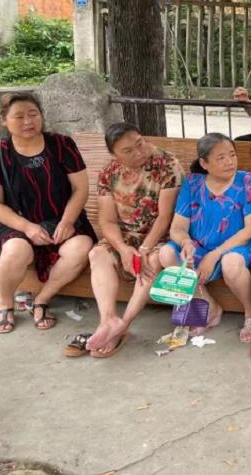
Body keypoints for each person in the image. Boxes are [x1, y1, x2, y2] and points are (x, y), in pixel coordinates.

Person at [0, 91, 96, 333]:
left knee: (81, 247)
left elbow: (80, 188)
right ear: (4, 120)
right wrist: (27, 227)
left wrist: (68, 221)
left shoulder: (62, 145)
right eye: (19, 116)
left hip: (62, 219)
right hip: (18, 223)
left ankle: (42, 300)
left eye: (33, 114)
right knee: (14, 250)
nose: (27, 121)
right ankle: (5, 304)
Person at [84, 123, 184, 357]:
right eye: (128, 150)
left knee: (152, 261)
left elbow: (165, 216)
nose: (139, 152)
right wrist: (123, 249)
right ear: (114, 155)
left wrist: (145, 248)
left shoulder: (167, 165)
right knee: (97, 254)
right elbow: (107, 221)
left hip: (160, 236)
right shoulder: (109, 173)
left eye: (140, 143)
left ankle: (123, 325)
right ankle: (108, 320)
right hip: (125, 238)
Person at [158, 133, 251, 343]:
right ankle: (209, 305)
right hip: (201, 245)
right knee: (166, 254)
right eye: (221, 157)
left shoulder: (247, 181)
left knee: (231, 263)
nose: (229, 162)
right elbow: (178, 227)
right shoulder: (192, 183)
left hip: (241, 244)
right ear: (204, 163)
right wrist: (186, 242)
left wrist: (215, 254)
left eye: (232, 155)